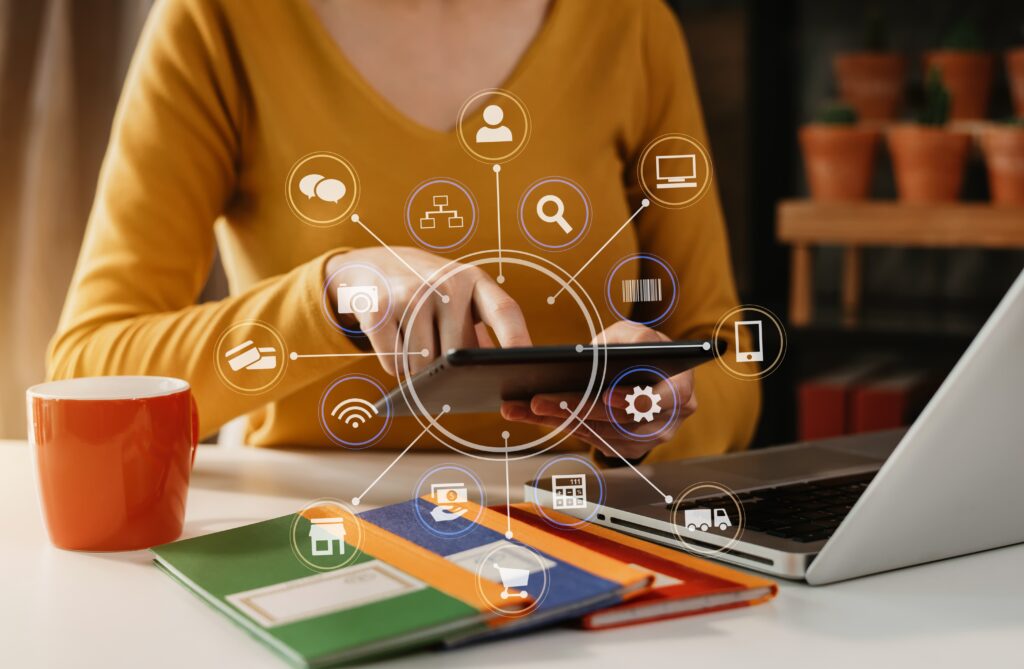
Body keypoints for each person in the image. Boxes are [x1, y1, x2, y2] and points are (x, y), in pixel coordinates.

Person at [48, 0, 760, 464]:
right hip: (315, 538)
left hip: (587, 529)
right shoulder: (219, 20)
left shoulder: (630, 25)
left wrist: (657, 414)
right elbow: (87, 374)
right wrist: (331, 295)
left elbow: (729, 355)